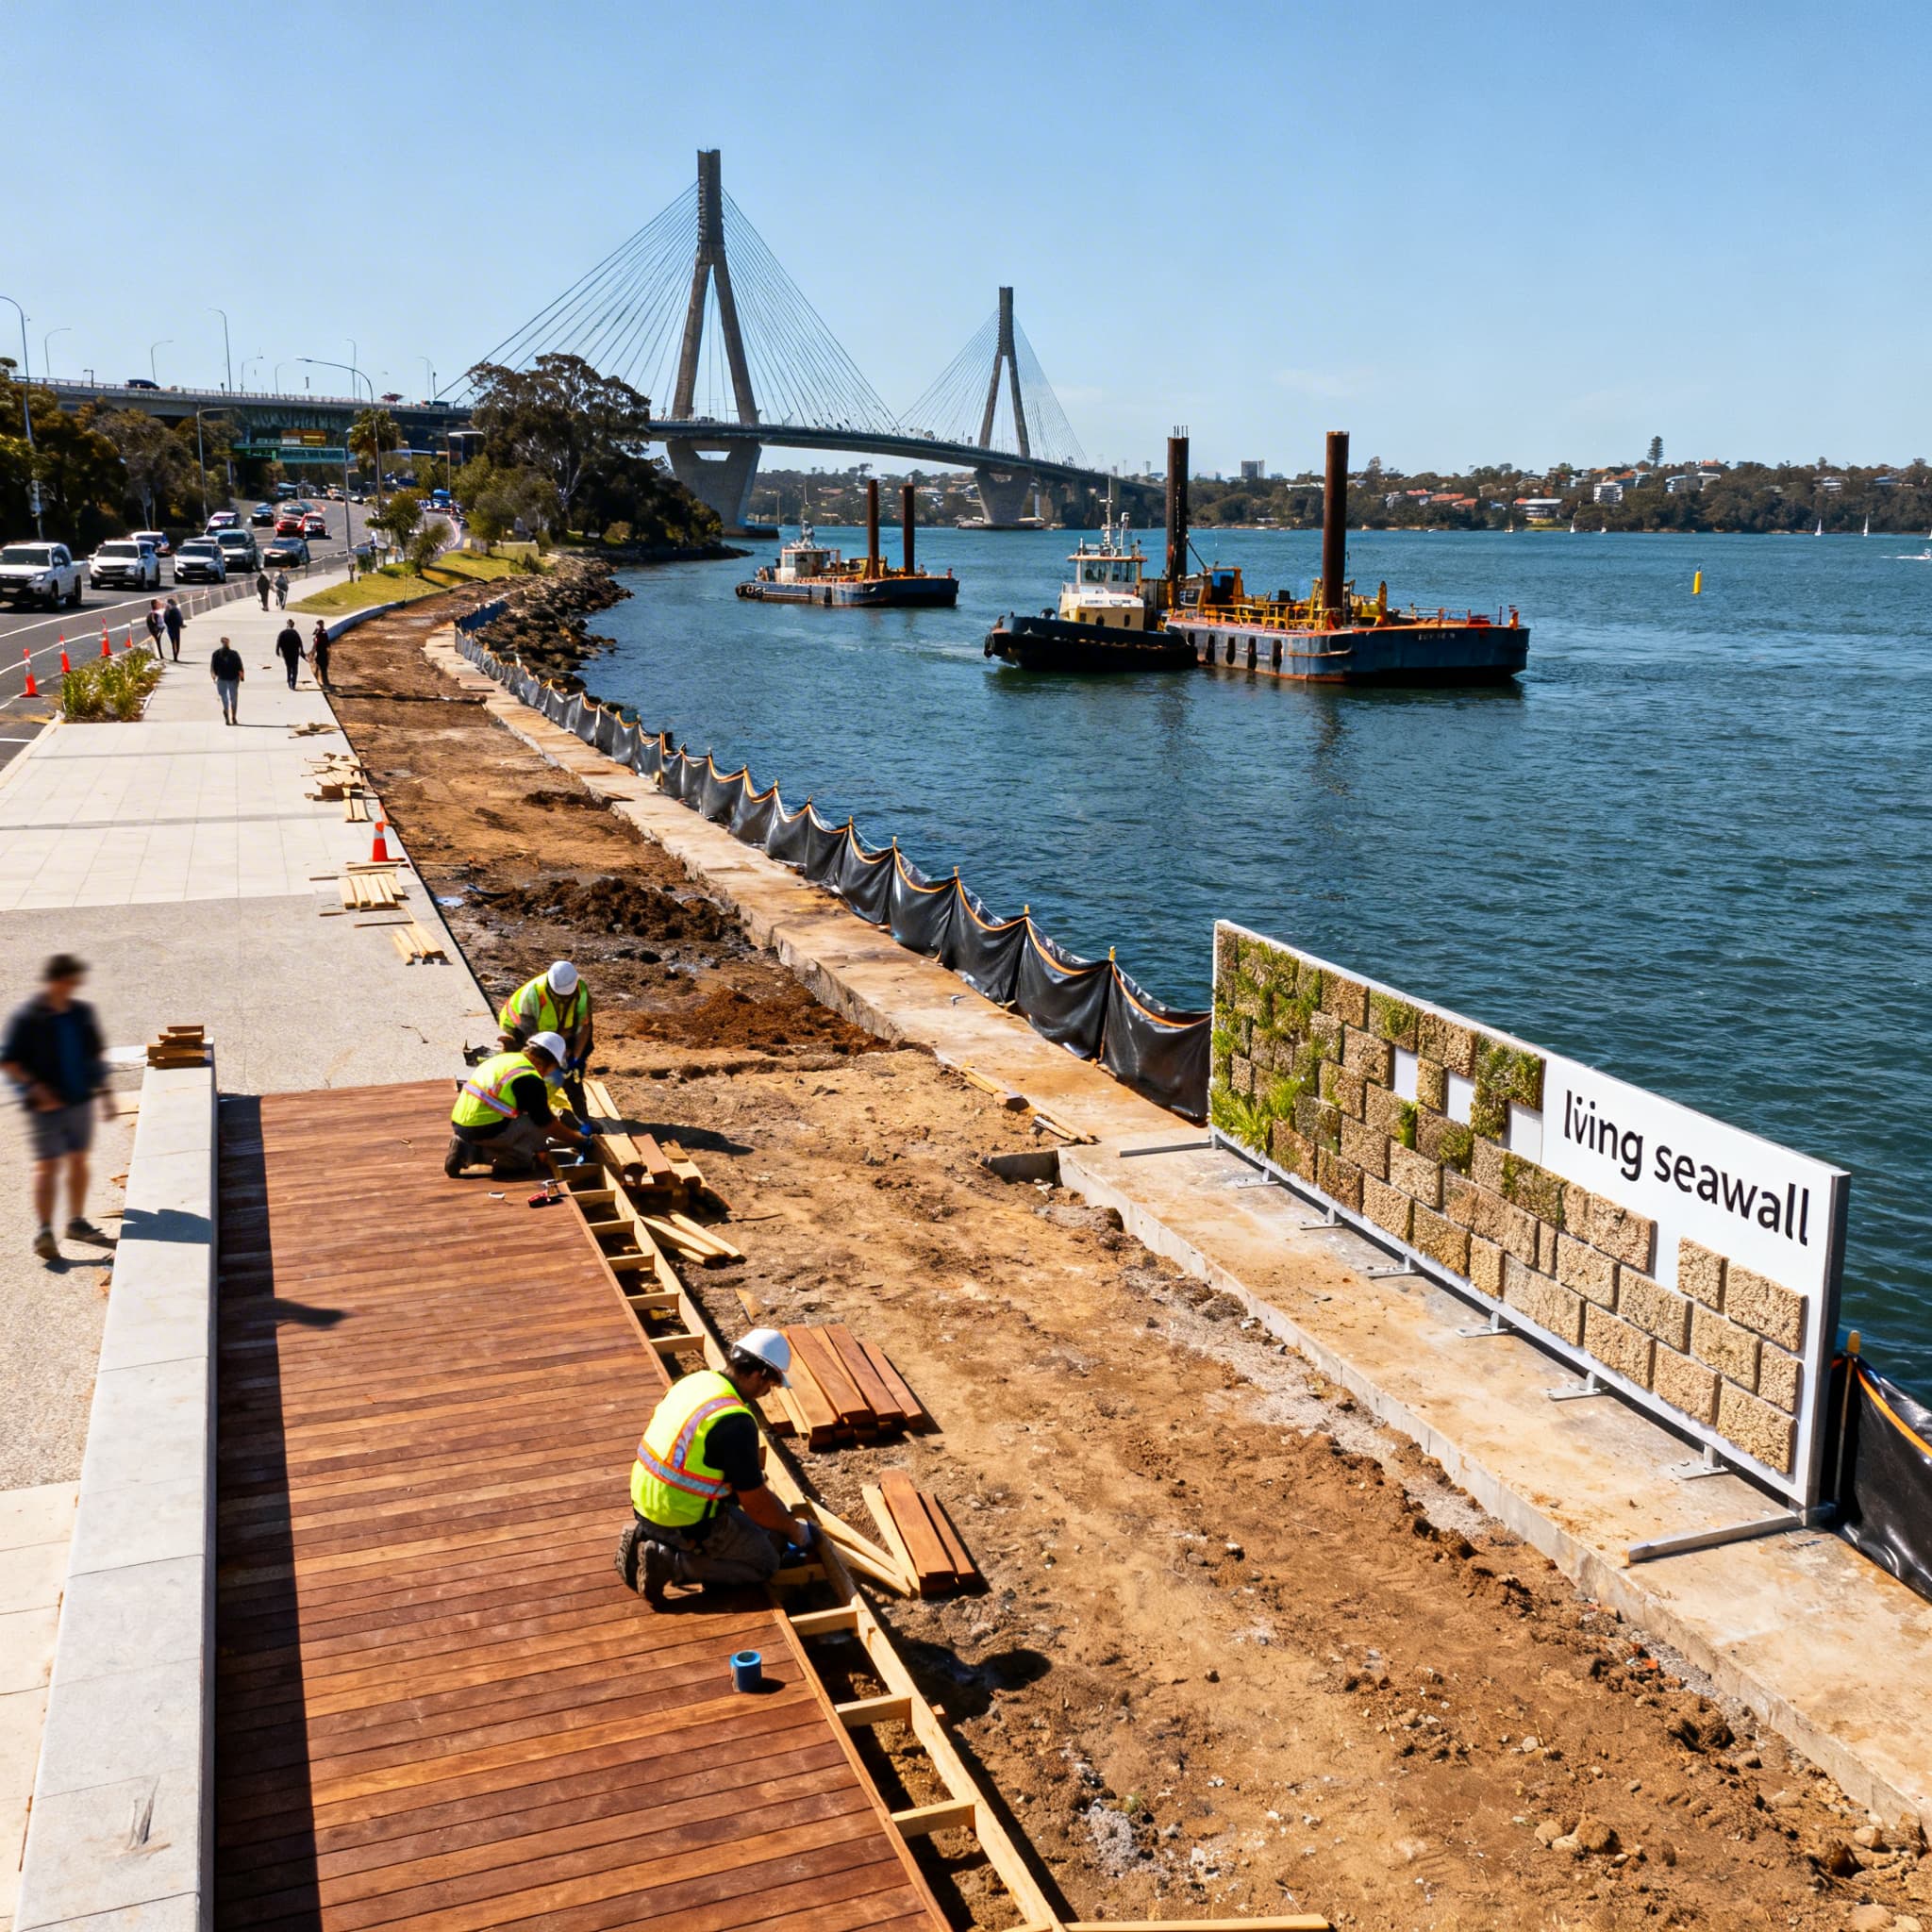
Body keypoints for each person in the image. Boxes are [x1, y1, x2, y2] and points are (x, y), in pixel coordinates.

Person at [615, 1329, 812, 1607]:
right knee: (765, 1562)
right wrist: (794, 1530)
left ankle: (648, 1536)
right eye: (772, 1385)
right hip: (683, 1517)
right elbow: (756, 1504)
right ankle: (669, 1562)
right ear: (759, 1375)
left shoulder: (697, 1382)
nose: (768, 1393)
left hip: (645, 1500)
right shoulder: (734, 1422)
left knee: (760, 1530)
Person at [2, 955, 114, 1262]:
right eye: (68, 982)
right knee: (47, 1166)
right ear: (54, 980)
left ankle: (76, 1222)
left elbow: (95, 1055)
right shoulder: (28, 1018)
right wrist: (34, 1087)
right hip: (44, 1106)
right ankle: (44, 1231)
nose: (72, 988)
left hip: (80, 1101)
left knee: (79, 1160)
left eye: (74, 983)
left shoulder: (81, 1013)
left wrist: (105, 1095)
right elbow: (8, 1060)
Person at [444, 1031, 588, 1179]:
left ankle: (465, 1145)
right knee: (536, 1131)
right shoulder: (529, 1078)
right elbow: (547, 1124)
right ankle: (480, 1154)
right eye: (552, 1069)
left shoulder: (505, 1059)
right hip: (484, 1127)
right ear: (542, 1063)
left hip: (460, 1122)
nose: (550, 1073)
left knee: (528, 1121)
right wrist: (579, 1141)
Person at [496, 961, 592, 1078]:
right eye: (559, 996)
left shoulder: (580, 990)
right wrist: (556, 1055)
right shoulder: (533, 993)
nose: (563, 998)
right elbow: (532, 1039)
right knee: (528, 1065)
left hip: (553, 1030)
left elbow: (584, 1027)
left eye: (566, 996)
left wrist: (575, 1058)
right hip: (518, 1027)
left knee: (583, 1049)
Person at [209, 634, 243, 724]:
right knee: (231, 698)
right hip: (229, 678)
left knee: (227, 698)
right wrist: (242, 676)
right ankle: (231, 717)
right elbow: (239, 666)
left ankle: (229, 715)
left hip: (225, 678)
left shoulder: (218, 654)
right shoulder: (232, 654)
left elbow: (213, 667)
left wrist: (213, 676)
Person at [275, 618, 303, 689]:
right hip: (294, 653)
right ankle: (293, 683)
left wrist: (277, 650)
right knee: (295, 668)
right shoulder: (295, 633)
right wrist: (302, 651)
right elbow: (300, 643)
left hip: (286, 653)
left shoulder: (283, 633)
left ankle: (289, 680)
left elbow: (278, 642)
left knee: (289, 667)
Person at [308, 618, 331, 691]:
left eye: (318, 624)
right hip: (323, 652)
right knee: (322, 668)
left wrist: (312, 652)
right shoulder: (323, 632)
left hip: (320, 653)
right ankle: (324, 682)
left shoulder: (320, 633)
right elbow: (327, 644)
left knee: (318, 667)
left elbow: (315, 643)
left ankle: (320, 682)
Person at [161, 596, 184, 661]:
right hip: (176, 628)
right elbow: (180, 618)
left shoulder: (166, 611)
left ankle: (174, 656)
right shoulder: (176, 610)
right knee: (177, 642)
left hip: (170, 628)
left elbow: (165, 620)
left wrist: (168, 625)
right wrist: (181, 624)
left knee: (172, 642)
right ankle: (176, 656)